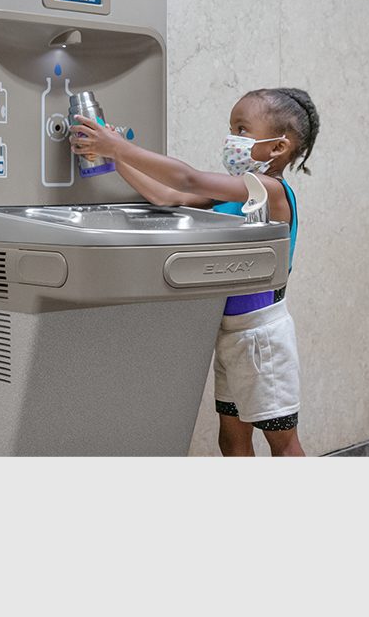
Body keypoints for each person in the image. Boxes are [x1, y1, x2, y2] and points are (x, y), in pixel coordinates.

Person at [69, 87, 320, 457]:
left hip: (262, 338)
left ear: (278, 147)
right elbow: (170, 197)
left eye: (242, 129)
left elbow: (188, 180)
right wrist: (115, 160)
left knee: (282, 444)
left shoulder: (270, 189)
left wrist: (119, 147)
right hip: (231, 335)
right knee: (231, 440)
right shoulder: (239, 194)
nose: (232, 139)